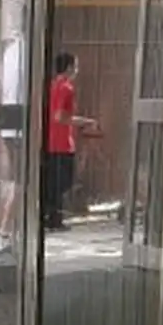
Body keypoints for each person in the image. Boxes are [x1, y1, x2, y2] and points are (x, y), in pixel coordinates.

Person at [43, 51, 95, 231]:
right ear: (69, 68)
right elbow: (60, 116)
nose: (77, 70)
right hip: (62, 142)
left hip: (49, 141)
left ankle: (51, 217)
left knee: (53, 182)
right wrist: (85, 122)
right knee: (64, 181)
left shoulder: (51, 86)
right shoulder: (67, 88)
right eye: (75, 66)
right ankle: (54, 218)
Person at [0, 30, 24, 250]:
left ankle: (11, 230)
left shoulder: (10, 51)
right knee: (22, 182)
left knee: (17, 180)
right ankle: (5, 230)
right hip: (22, 126)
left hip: (9, 126)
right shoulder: (31, 52)